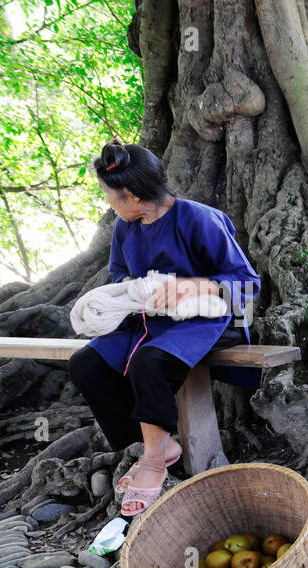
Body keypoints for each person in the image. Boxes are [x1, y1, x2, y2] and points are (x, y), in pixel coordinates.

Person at [68, 139, 260, 517]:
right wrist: (137, 291)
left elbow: (247, 282)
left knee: (148, 362)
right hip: (148, 319)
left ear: (133, 195)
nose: (108, 201)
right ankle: (148, 446)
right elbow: (120, 274)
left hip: (206, 320)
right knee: (85, 364)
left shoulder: (199, 219)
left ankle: (155, 461)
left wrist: (193, 285)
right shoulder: (125, 228)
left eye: (109, 194)